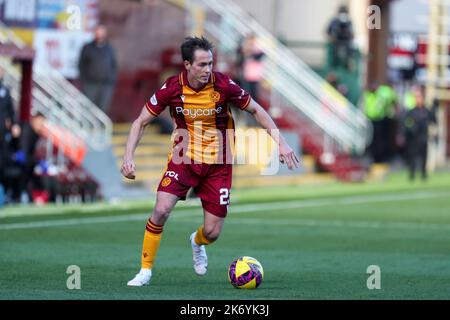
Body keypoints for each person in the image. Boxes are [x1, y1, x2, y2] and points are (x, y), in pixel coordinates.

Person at [121, 36, 300, 286]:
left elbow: (257, 110)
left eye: (210, 64)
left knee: (213, 233)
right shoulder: (171, 88)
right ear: (187, 65)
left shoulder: (223, 85)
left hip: (219, 163)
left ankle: (196, 241)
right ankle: (145, 270)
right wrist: (128, 156)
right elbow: (140, 121)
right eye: (202, 65)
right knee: (161, 210)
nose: (208, 70)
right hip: (184, 158)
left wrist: (280, 142)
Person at [78, 24, 117, 114]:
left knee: (102, 110)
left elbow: (114, 65)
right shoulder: (87, 48)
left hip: (105, 85)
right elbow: (81, 65)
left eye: (102, 32)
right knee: (88, 109)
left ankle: (100, 128)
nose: (99, 34)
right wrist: (85, 80)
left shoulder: (109, 49)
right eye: (97, 31)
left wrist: (111, 81)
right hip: (90, 85)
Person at [401, 89, 437, 181]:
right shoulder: (411, 111)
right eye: (416, 97)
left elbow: (433, 121)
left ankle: (423, 174)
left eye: (419, 97)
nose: (418, 99)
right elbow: (406, 123)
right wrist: (410, 128)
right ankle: (412, 173)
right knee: (412, 155)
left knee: (424, 155)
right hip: (413, 137)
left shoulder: (426, 110)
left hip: (423, 136)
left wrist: (434, 109)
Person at [0, 66, 21, 200]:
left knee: (3, 163)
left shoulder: (5, 90)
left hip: (2, 134)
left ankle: (5, 193)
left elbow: (11, 112)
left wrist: (13, 124)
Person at [326, 5, 354, 70]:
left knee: (349, 53)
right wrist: (332, 37)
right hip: (335, 44)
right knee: (334, 58)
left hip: (346, 43)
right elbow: (327, 32)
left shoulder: (349, 22)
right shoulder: (334, 21)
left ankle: (348, 65)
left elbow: (352, 34)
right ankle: (334, 66)